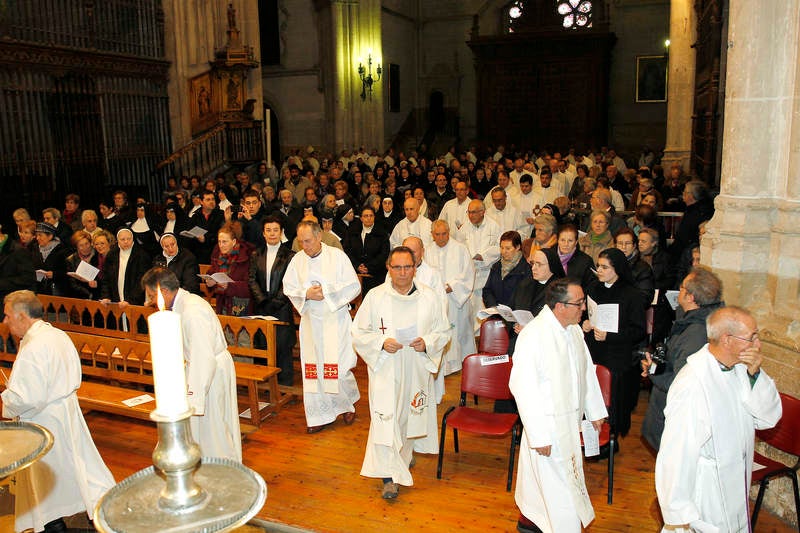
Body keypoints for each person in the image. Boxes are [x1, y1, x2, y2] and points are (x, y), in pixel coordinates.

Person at [655, 306, 781, 533]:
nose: (758, 345)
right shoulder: (693, 384)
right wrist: (678, 510)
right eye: (751, 337)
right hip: (707, 490)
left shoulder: (741, 369)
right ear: (726, 340)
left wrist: (755, 376)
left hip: (735, 478)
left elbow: (767, 419)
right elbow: (676, 452)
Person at [1, 290, 116, 533]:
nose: (5, 322)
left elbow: (26, 397)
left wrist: (7, 397)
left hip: (44, 421)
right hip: (65, 411)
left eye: (7, 316)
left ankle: (55, 524)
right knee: (75, 468)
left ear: (22, 316)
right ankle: (86, 515)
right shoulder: (56, 334)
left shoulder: (34, 347)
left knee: (49, 480)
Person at [352, 246, 451, 500]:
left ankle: (402, 458)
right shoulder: (375, 297)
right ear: (389, 268)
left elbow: (443, 332)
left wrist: (427, 342)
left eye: (408, 266)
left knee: (408, 417)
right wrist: (381, 343)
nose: (403, 272)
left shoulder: (429, 297)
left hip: (415, 365)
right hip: (386, 366)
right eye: (397, 267)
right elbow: (359, 332)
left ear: (415, 267)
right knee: (386, 419)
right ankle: (389, 478)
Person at [510, 279, 608, 533]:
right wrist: (539, 435)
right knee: (560, 494)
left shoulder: (573, 330)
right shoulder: (534, 336)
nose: (583, 308)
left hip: (569, 425)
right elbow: (523, 388)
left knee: (556, 489)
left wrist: (595, 410)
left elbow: (586, 371)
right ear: (559, 306)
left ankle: (531, 524)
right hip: (547, 429)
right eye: (578, 303)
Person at [141, 268, 242, 461]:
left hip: (209, 373)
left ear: (164, 292)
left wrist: (193, 398)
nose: (151, 301)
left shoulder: (192, 312)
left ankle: (223, 470)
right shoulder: (183, 306)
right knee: (203, 429)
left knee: (214, 428)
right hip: (199, 369)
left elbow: (202, 357)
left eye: (153, 295)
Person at [283, 220, 361, 433]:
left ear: (319, 237)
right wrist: (306, 294)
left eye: (308, 241)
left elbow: (353, 286)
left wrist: (325, 291)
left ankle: (346, 404)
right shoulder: (297, 260)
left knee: (339, 368)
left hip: (335, 320)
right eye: (300, 242)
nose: (304, 246)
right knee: (313, 369)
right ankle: (319, 415)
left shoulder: (337, 256)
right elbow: (288, 287)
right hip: (311, 322)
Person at [640, 268, 724, 451]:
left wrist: (654, 373)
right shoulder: (691, 321)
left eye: (683, 287)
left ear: (691, 297)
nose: (679, 289)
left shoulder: (696, 333)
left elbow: (681, 382)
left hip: (674, 417)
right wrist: (656, 364)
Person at [582, 248, 646, 438]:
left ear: (617, 269)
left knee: (613, 399)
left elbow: (638, 330)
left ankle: (612, 437)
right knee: (591, 394)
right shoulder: (593, 288)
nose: (599, 270)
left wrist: (610, 336)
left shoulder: (631, 294)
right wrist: (584, 323)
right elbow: (586, 314)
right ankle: (591, 435)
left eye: (604, 267)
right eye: (598, 266)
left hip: (617, 354)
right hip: (594, 350)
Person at [248, 216, 297, 386]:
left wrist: (277, 301)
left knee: (282, 346)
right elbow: (252, 279)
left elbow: (290, 281)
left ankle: (284, 385)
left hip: (281, 306)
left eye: (276, 230)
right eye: (268, 230)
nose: (272, 233)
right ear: (263, 233)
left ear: (282, 232)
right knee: (262, 344)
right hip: (261, 306)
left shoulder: (291, 255)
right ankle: (264, 384)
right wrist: (262, 299)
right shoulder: (256, 254)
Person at [425, 219, 476, 378]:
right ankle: (441, 363)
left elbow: (468, 273)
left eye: (444, 234)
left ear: (449, 232)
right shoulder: (427, 250)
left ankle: (463, 362)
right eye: (437, 234)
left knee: (459, 332)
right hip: (437, 299)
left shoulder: (460, 249)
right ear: (432, 235)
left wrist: (451, 286)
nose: (441, 238)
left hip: (455, 299)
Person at [206, 222, 254, 316]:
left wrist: (229, 286)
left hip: (240, 306)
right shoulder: (217, 255)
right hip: (222, 303)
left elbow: (250, 287)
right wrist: (210, 282)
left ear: (234, 242)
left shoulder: (246, 257)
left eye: (224, 242)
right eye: (219, 241)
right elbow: (211, 273)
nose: (221, 245)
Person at [341, 206, 389, 295]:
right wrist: (357, 265)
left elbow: (384, 254)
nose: (368, 218)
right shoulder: (352, 231)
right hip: (355, 272)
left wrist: (368, 267)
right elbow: (347, 250)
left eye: (371, 215)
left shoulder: (382, 233)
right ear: (361, 218)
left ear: (374, 217)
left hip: (376, 273)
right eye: (365, 216)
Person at [100, 228, 151, 307]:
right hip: (115, 300)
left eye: (128, 239)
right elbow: (106, 278)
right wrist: (106, 296)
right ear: (117, 240)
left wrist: (130, 300)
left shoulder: (141, 255)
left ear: (133, 239)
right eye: (122, 239)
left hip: (135, 302)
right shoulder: (112, 255)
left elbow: (141, 282)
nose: (126, 242)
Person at [482, 230, 529, 308]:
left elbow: (524, 297)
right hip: (496, 313)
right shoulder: (496, 267)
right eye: (502, 247)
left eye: (508, 248)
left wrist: (506, 312)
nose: (503, 251)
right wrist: (494, 307)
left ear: (517, 247)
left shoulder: (525, 270)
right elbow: (487, 290)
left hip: (514, 316)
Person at [31, 222, 70, 296]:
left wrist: (54, 274)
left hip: (56, 291)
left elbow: (68, 272)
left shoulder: (62, 251)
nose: (37, 238)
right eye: (37, 235)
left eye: (40, 235)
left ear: (50, 236)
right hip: (38, 290)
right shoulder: (34, 248)